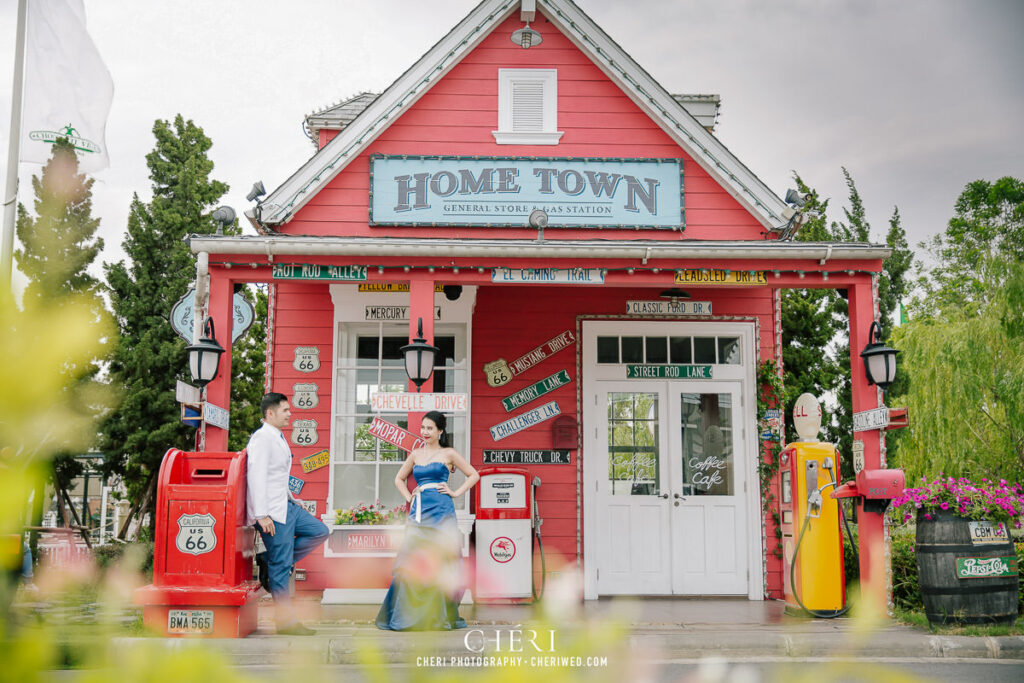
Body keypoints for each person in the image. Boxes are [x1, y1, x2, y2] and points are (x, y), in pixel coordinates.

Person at [377, 410, 479, 630]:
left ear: (440, 431)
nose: (425, 432)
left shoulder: (449, 453)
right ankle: (405, 617)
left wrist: (456, 492)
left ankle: (437, 617)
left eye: (430, 428)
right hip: (419, 513)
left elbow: (474, 474)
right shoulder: (415, 454)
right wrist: (410, 497)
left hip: (442, 513)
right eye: (423, 427)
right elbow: (399, 479)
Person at [247, 392, 329, 636]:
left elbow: (278, 476)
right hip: (272, 513)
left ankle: (269, 561)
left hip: (287, 506)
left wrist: (294, 499)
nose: (290, 414)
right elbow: (256, 476)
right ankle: (286, 623)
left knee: (320, 531)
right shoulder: (262, 438)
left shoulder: (278, 436)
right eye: (285, 410)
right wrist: (261, 514)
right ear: (270, 413)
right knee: (281, 567)